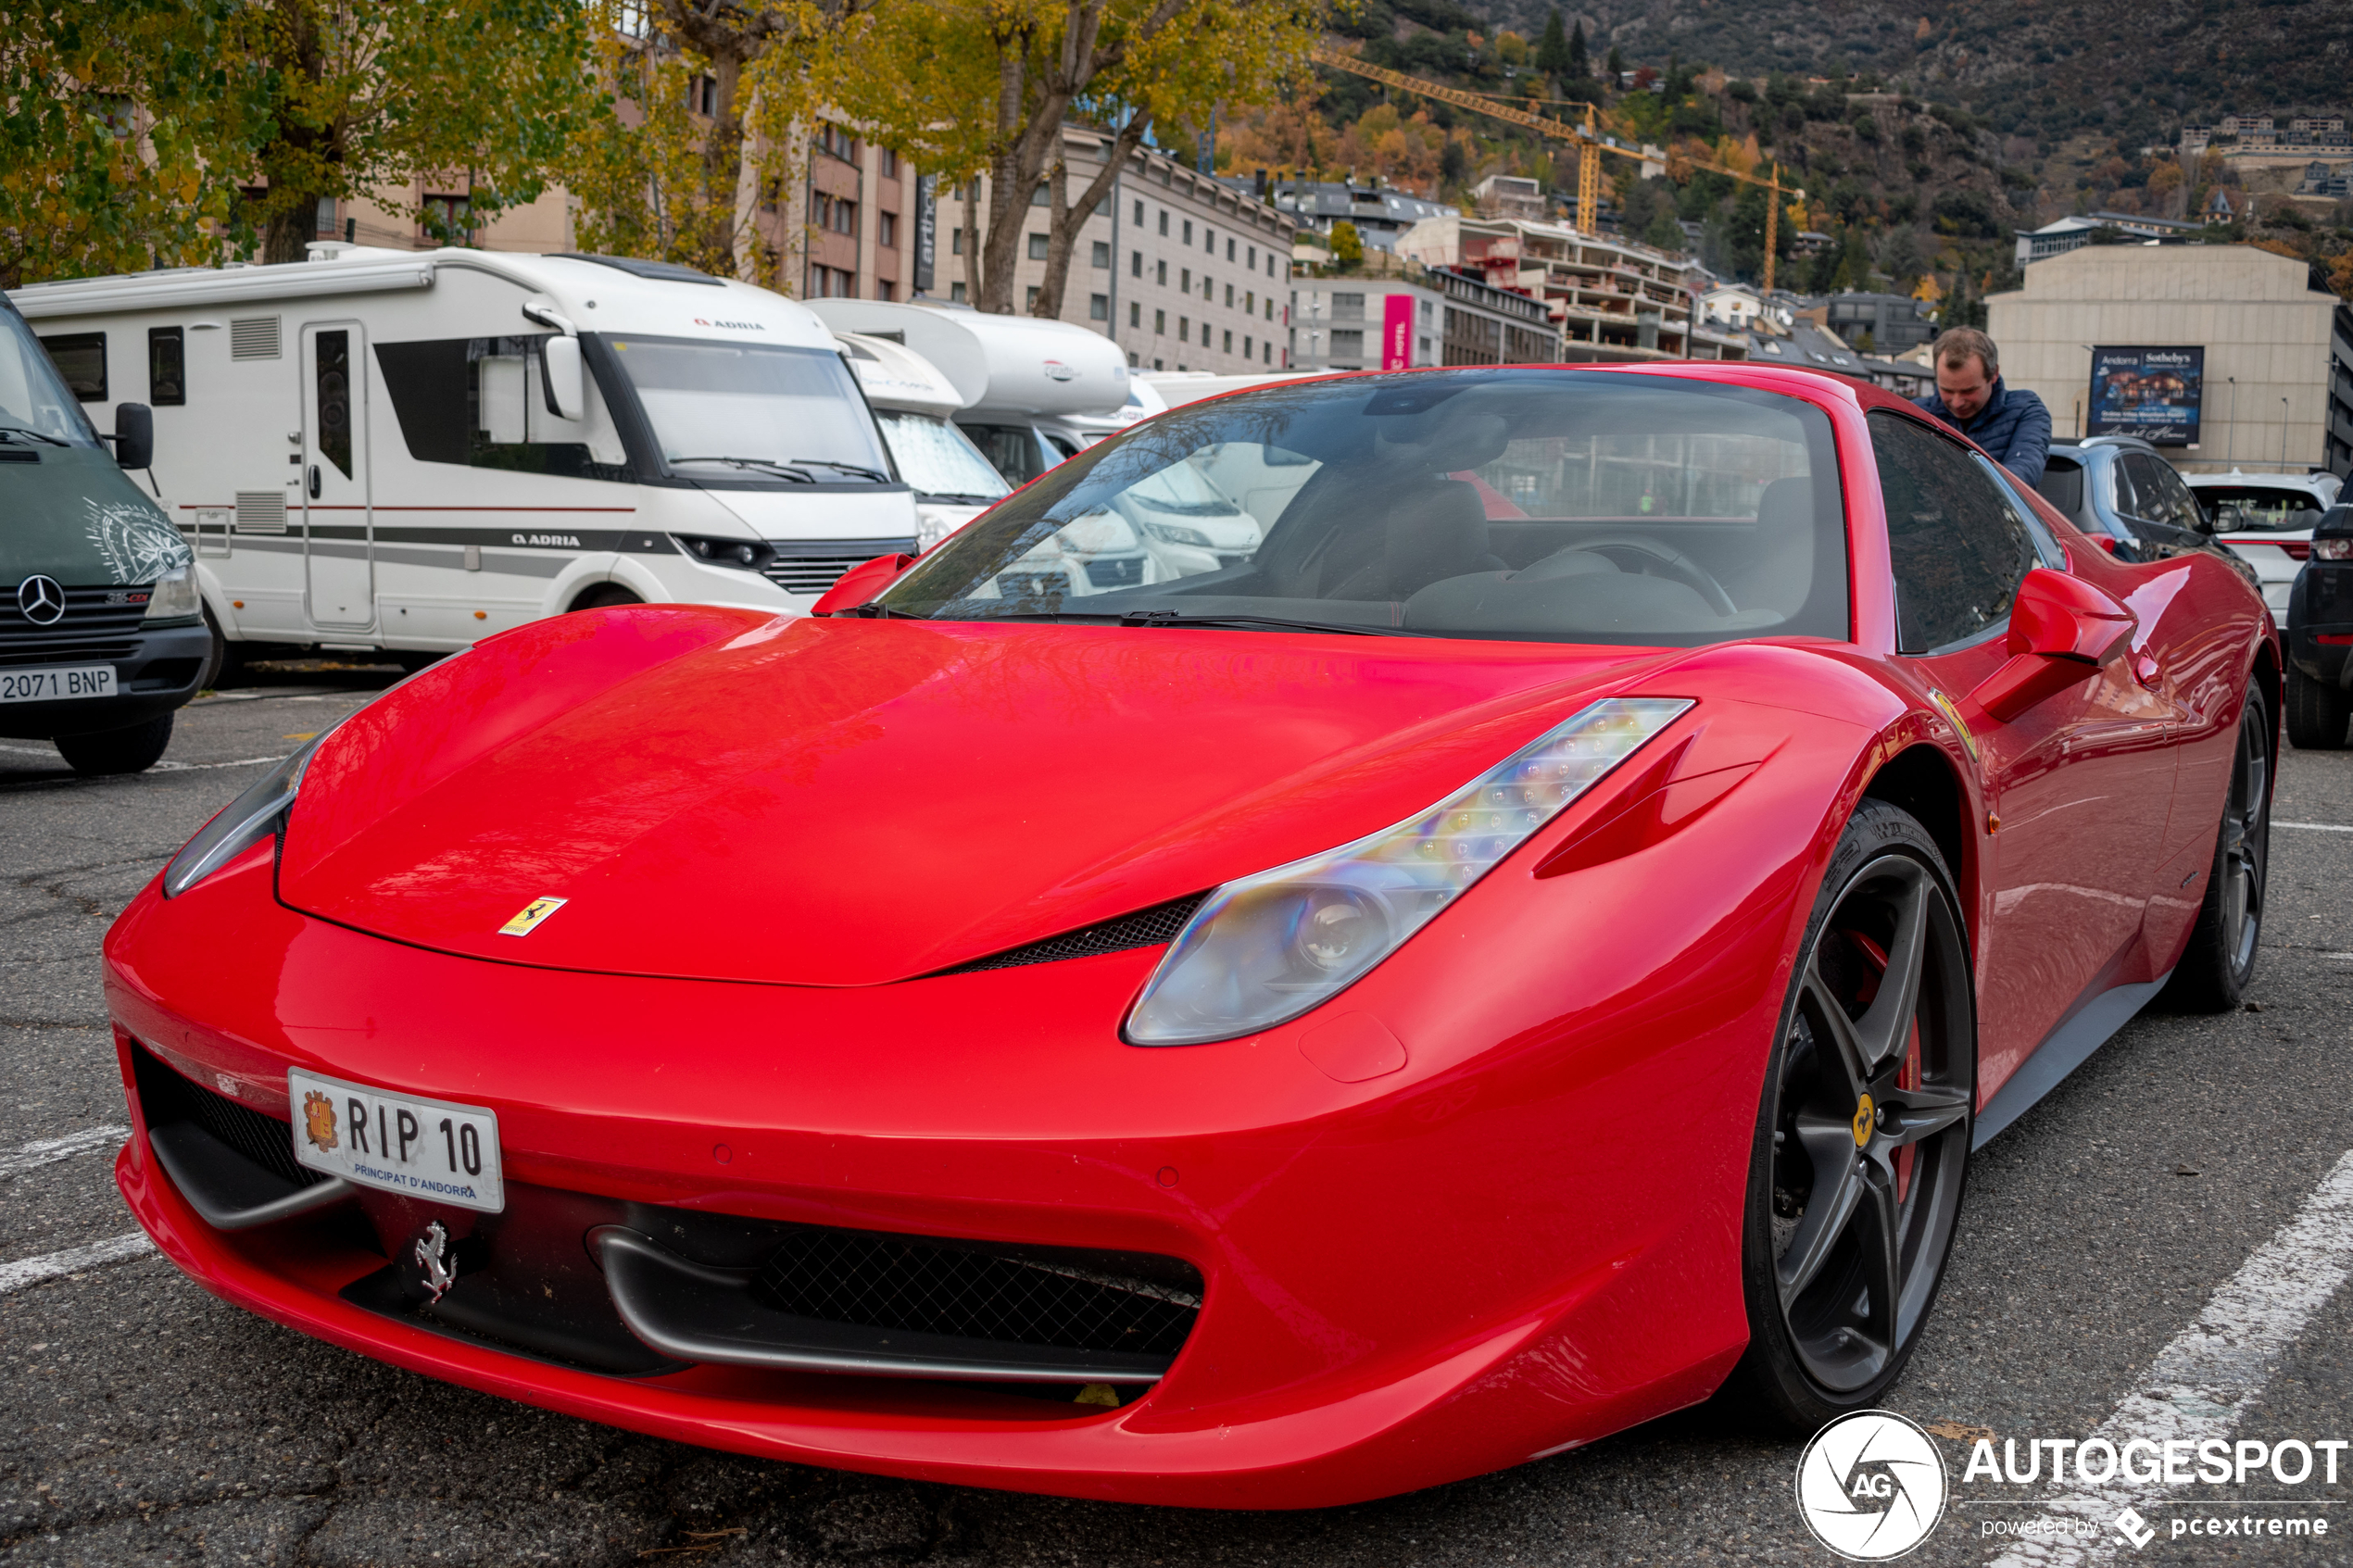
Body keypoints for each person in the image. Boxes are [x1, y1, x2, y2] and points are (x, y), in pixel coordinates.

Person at [1913, 326, 2051, 487]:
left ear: (1994, 374)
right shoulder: (1913, 415)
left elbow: (2026, 468)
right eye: (1947, 390)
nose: (1957, 402)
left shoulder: (2026, 410)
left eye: (1969, 391)